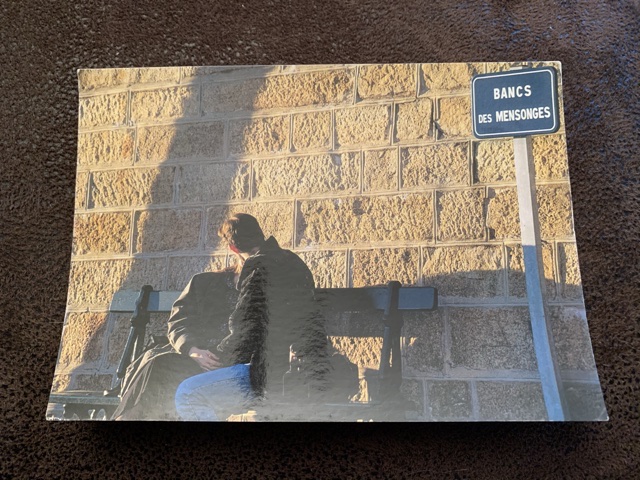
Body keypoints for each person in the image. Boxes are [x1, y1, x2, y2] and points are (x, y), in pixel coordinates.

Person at [174, 213, 330, 421]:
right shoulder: (292, 261)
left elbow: (246, 328)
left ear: (233, 248)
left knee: (187, 393)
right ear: (259, 234)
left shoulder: (259, 268)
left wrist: (218, 358)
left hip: (268, 372)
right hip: (304, 366)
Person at [111, 267, 239, 420]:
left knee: (164, 381)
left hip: (228, 369)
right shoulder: (204, 282)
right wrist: (192, 350)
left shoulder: (258, 290)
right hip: (193, 359)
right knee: (159, 365)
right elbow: (178, 324)